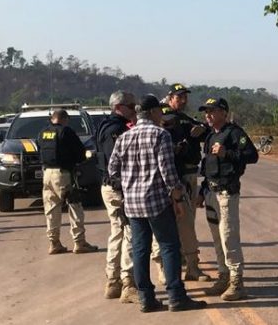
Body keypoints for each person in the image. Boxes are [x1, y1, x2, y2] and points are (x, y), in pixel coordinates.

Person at [108, 94, 207, 313]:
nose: (161, 114)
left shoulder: (125, 137)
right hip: (157, 202)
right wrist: (178, 197)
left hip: (133, 205)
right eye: (159, 111)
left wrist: (127, 188)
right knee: (169, 246)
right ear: (153, 112)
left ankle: (146, 298)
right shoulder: (160, 135)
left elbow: (112, 169)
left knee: (140, 250)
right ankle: (176, 296)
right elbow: (168, 172)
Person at [196, 97, 259, 301]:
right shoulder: (210, 137)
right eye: (206, 111)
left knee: (228, 237)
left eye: (212, 111)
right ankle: (223, 276)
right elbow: (207, 167)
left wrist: (227, 153)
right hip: (211, 193)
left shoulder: (234, 133)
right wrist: (201, 191)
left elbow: (252, 155)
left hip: (226, 193)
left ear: (224, 112)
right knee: (216, 238)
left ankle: (237, 282)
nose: (208, 115)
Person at [152, 83, 211, 282]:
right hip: (173, 179)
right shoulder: (166, 120)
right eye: (179, 97)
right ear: (169, 98)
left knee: (187, 223)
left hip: (188, 175)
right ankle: (165, 268)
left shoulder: (184, 119)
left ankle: (191, 266)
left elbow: (203, 131)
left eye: (185, 97)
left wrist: (201, 127)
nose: (183, 100)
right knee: (169, 224)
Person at [95, 91, 138, 302]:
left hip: (110, 187)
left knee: (117, 233)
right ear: (119, 107)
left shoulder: (106, 125)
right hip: (118, 188)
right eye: (131, 105)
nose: (135, 109)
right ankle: (127, 283)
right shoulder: (115, 130)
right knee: (128, 233)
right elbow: (117, 164)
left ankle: (113, 281)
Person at [39, 108, 98, 255]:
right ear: (65, 119)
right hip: (64, 174)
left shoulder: (43, 133)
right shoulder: (66, 132)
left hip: (47, 174)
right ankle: (79, 242)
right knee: (74, 206)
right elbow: (80, 153)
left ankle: (54, 243)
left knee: (51, 209)